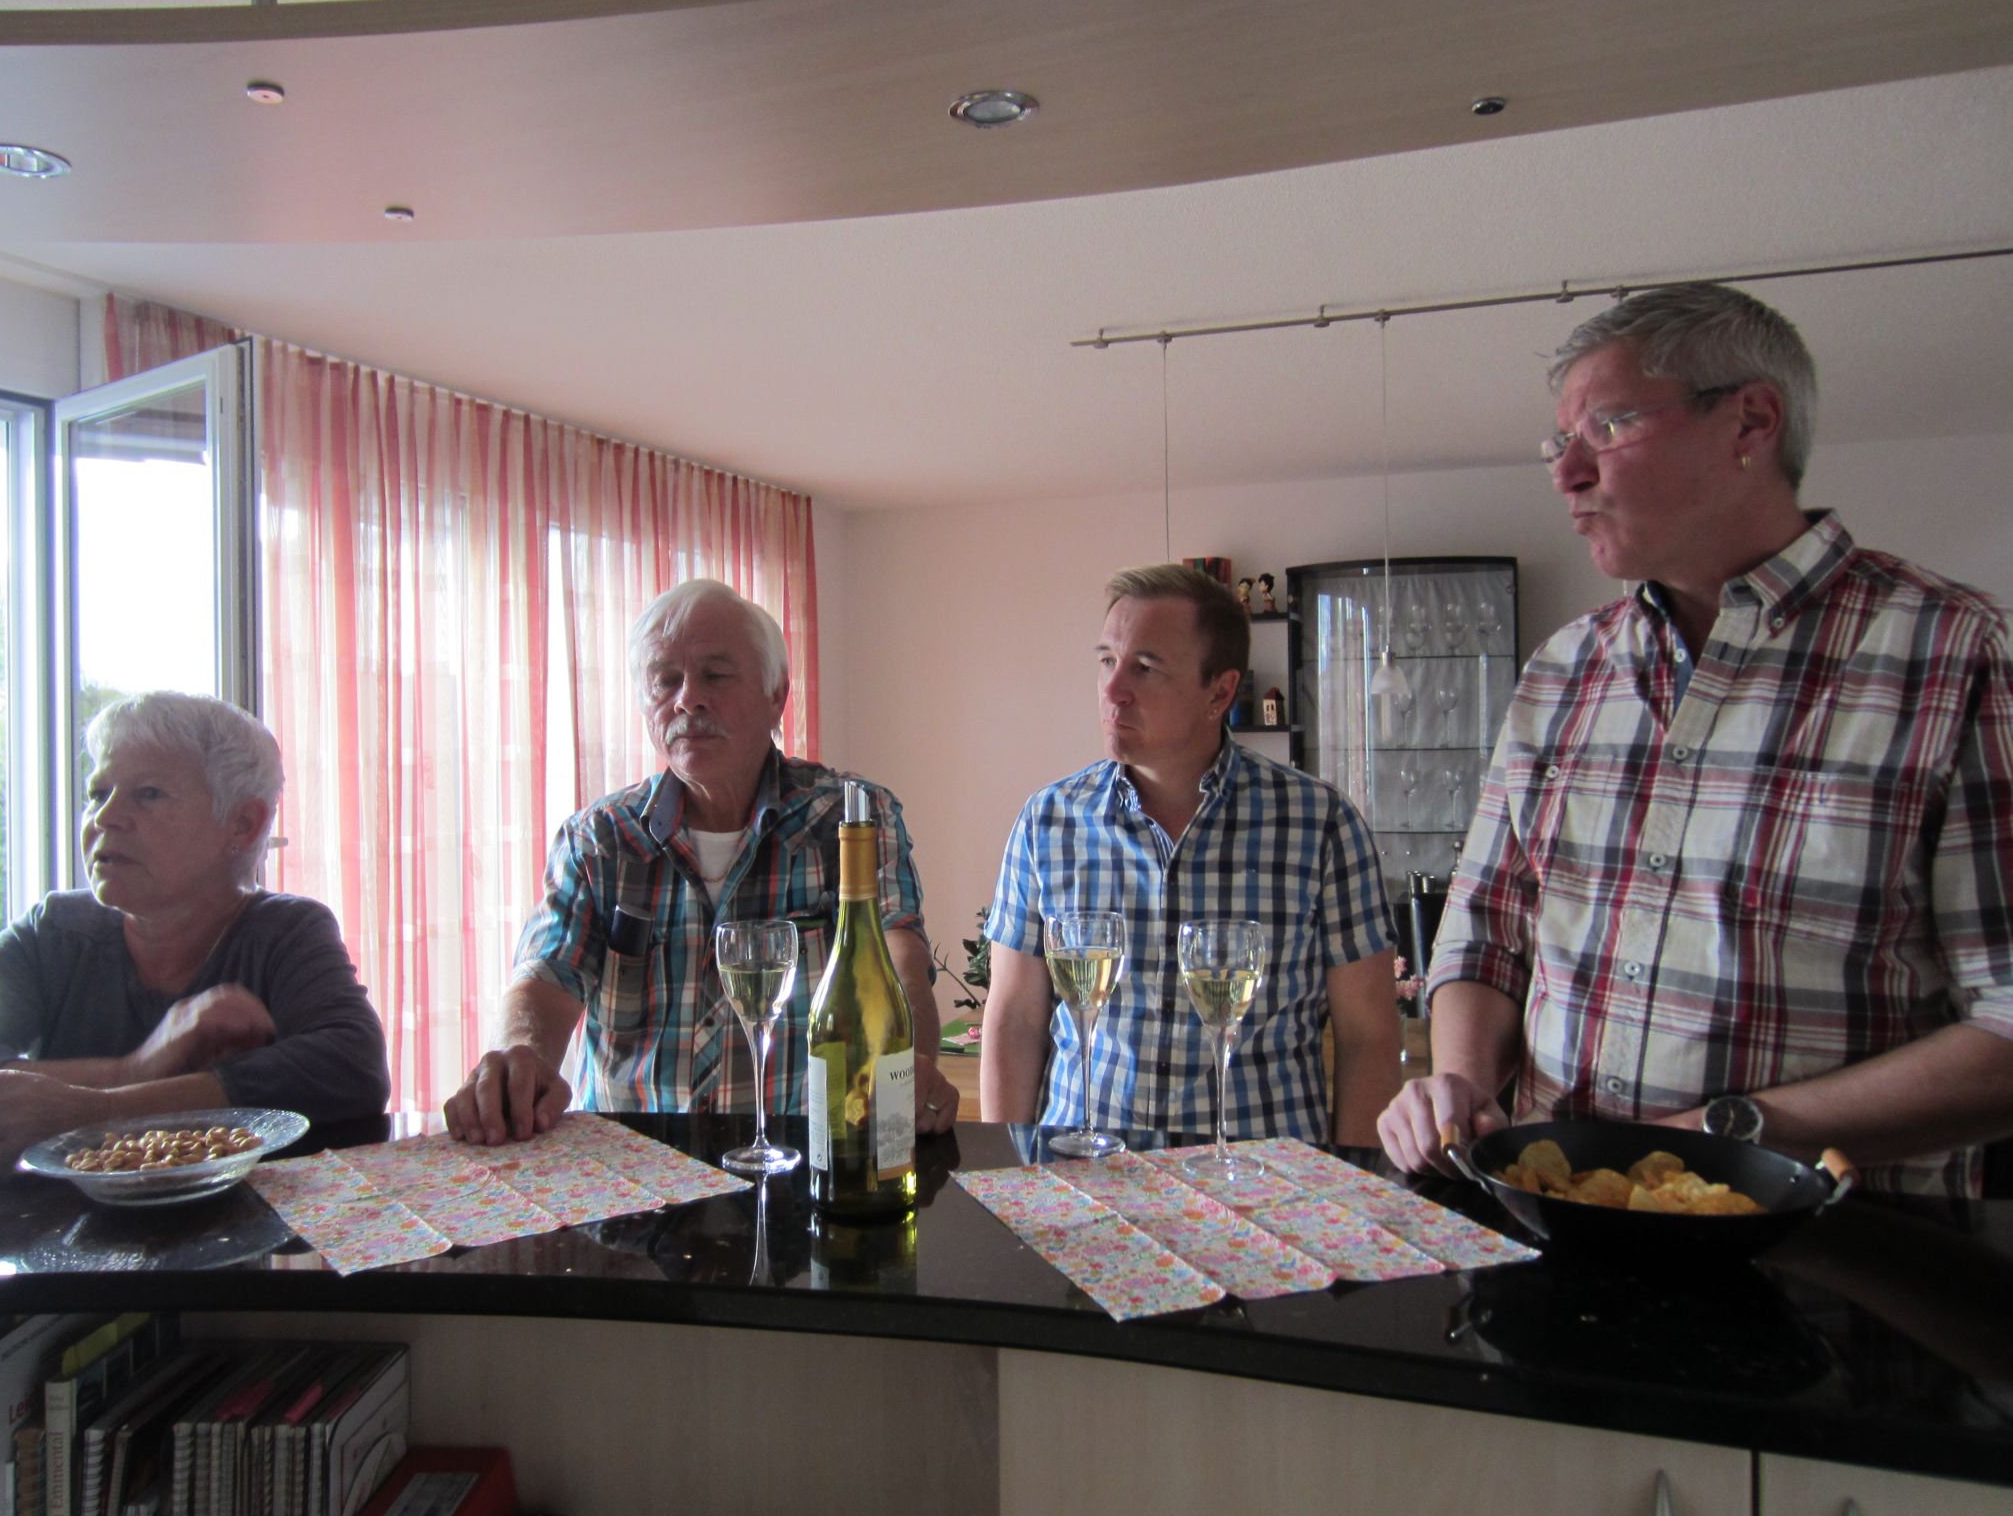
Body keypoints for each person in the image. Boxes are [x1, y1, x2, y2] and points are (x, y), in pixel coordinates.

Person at [1378, 283, 2013, 1197]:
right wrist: (1462, 1084)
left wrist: (1727, 1135)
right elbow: (1485, 933)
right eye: (1558, 443)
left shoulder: (1952, 654)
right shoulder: (1564, 669)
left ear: (1750, 421)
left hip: (1828, 1250)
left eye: (1606, 428)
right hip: (1554, 1223)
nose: (1565, 474)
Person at [444, 578, 957, 1144]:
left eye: (715, 675)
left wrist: (907, 1063)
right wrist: (521, 1056)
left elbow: (898, 957)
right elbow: (544, 978)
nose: (688, 699)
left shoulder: (849, 819)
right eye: (666, 680)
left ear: (776, 695)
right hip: (632, 1172)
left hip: (803, 1158)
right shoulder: (601, 841)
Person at [982, 564, 1402, 1144]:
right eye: (1107, 660)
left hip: (1263, 1180)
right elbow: (1014, 1020)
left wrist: (1353, 1182)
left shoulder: (1320, 825)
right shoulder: (1048, 822)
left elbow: (1369, 1037)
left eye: (1145, 667)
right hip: (1086, 1178)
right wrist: (1008, 1167)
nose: (1112, 689)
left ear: (1220, 692)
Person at [0, 692, 391, 1163]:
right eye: (98, 794)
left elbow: (351, 1069)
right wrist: (138, 1067)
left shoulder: (285, 932)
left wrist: (95, 1112)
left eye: (148, 794)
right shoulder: (51, 933)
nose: (105, 817)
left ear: (242, 825)